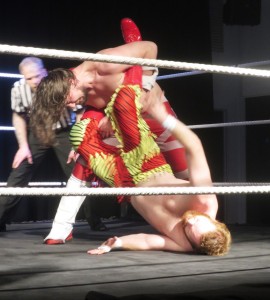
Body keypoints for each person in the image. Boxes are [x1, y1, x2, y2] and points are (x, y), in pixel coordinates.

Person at [31, 18, 189, 245]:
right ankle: (60, 228)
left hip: (150, 110)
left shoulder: (105, 63)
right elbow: (89, 113)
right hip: (118, 117)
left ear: (70, 84)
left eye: (67, 101)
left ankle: (201, 220)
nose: (69, 106)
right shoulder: (81, 92)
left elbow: (150, 47)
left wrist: (143, 89)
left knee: (184, 169)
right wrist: (82, 144)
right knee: (85, 158)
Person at [86, 79, 231, 256]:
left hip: (126, 185)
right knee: (124, 101)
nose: (190, 221)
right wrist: (162, 117)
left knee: (80, 137)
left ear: (194, 245)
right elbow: (194, 145)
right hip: (148, 163)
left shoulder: (183, 244)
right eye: (198, 222)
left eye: (190, 230)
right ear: (217, 224)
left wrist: (116, 243)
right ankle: (132, 75)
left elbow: (149, 241)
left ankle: (89, 124)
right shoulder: (205, 199)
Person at [0, 57, 106, 232]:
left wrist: (79, 143)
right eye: (29, 78)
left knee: (79, 173)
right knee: (18, 174)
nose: (34, 81)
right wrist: (23, 146)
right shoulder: (19, 89)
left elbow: (80, 111)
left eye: (36, 76)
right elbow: (18, 116)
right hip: (38, 132)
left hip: (64, 132)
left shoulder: (59, 83)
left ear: (44, 71)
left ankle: (94, 220)